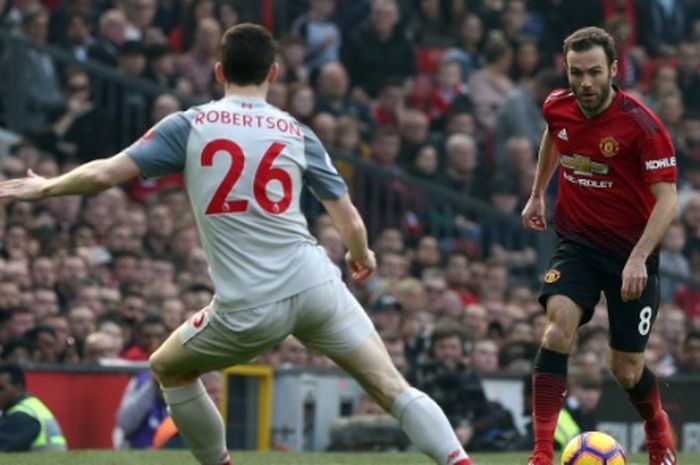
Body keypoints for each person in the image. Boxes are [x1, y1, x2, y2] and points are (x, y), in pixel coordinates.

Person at [0, 23, 473, 465]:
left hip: (250, 304)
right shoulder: (297, 132)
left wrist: (46, 187)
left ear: (219, 71)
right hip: (315, 283)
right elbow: (347, 217)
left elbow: (104, 173)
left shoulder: (189, 125)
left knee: (168, 366)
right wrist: (362, 254)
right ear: (274, 72)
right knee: (392, 385)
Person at [521, 27, 678, 465]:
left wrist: (639, 258)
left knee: (625, 368)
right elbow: (555, 135)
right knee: (557, 329)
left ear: (612, 69)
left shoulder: (643, 125)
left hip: (633, 255)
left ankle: (656, 428)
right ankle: (540, 455)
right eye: (576, 73)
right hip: (578, 243)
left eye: (593, 72)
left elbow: (668, 201)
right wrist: (537, 193)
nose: (584, 83)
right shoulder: (558, 106)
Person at [0, 362, 67, 451]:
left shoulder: (22, 416)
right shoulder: (31, 406)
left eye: (1, 388)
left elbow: (3, 445)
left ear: (18, 388)